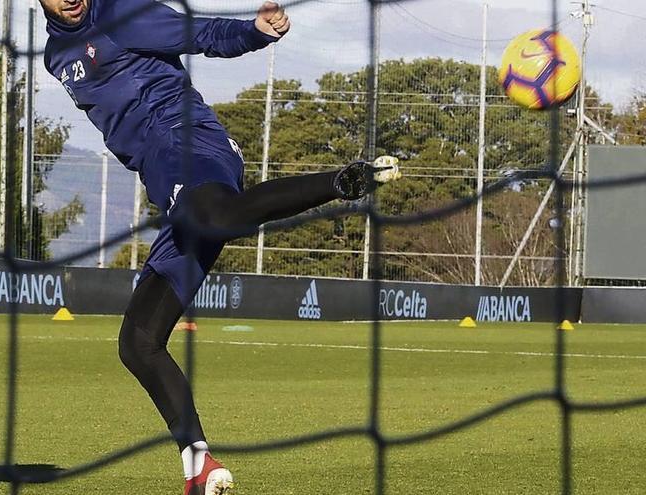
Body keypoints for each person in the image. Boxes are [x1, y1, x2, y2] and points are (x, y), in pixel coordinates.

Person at [38, 1, 400, 493]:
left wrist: (253, 31)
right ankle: (200, 466)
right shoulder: (53, 55)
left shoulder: (121, 11)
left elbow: (200, 33)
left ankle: (342, 181)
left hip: (190, 144)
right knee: (138, 344)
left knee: (218, 217)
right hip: (165, 181)